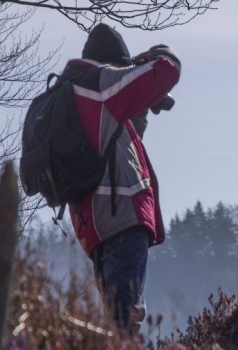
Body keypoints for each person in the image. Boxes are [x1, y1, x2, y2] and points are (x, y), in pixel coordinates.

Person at [64, 22, 181, 333]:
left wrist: (137, 106)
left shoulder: (75, 92)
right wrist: (154, 57)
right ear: (113, 65)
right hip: (121, 218)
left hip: (94, 225)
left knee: (114, 316)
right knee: (125, 320)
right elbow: (168, 70)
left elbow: (114, 144)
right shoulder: (101, 84)